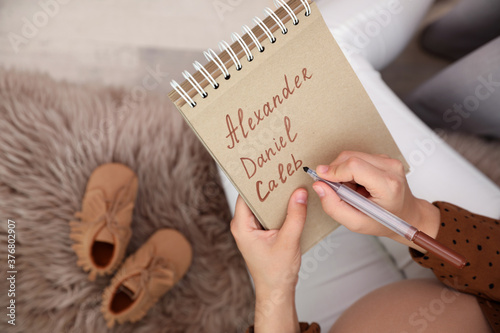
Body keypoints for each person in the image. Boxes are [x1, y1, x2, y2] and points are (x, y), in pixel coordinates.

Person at [230, 151, 500, 332]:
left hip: (330, 304)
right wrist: (416, 215)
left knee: (242, 167)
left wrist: (274, 287)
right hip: (473, 263)